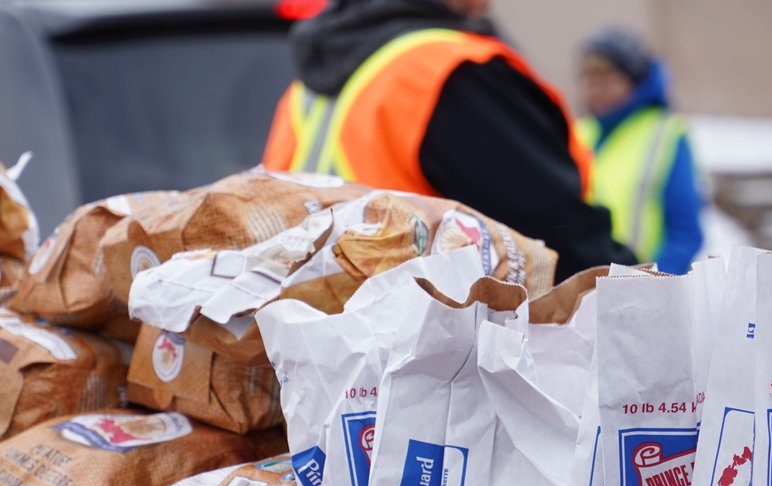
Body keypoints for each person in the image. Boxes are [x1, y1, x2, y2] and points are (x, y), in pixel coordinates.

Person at [262, 0, 635, 281]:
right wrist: (648, 292)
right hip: (426, 366)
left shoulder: (304, 94)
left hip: (320, 366)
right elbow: (560, 242)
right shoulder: (445, 73)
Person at [576, 29, 704, 275]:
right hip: (581, 289)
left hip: (642, 288)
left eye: (607, 79)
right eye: (590, 80)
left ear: (634, 82)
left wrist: (653, 281)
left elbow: (685, 232)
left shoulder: (666, 133)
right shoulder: (580, 132)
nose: (596, 89)